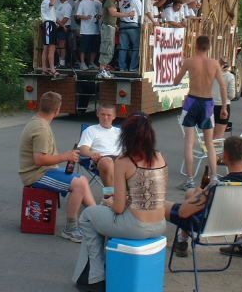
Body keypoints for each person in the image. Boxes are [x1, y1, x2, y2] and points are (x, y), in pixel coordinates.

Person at [72, 113, 167, 289]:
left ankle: (96, 277)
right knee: (101, 217)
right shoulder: (159, 157)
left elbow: (118, 207)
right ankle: (105, 266)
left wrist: (109, 203)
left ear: (126, 137)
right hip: (160, 224)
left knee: (87, 216)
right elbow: (155, 194)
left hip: (137, 226)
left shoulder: (124, 161)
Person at [165, 137, 242, 258]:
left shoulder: (217, 187)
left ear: (225, 156)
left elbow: (183, 212)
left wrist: (199, 194)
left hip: (208, 226)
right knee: (191, 193)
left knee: (161, 205)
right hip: (238, 224)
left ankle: (180, 242)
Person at [18, 92, 95, 243]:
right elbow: (39, 159)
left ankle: (98, 219)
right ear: (58, 110)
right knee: (78, 184)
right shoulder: (41, 129)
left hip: (43, 171)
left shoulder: (38, 121)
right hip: (35, 175)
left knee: (82, 180)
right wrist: (65, 156)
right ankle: (70, 229)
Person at [173, 35, 229, 189]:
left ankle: (190, 180)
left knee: (189, 143)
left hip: (192, 101)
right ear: (209, 47)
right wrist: (224, 107)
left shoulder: (189, 62)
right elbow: (223, 86)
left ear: (196, 46)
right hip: (207, 104)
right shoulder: (215, 64)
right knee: (209, 143)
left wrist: (181, 67)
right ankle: (214, 178)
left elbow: (175, 81)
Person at [77, 104, 122, 186]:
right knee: (107, 162)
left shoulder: (119, 131)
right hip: (100, 159)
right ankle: (109, 195)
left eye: (109, 115)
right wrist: (92, 154)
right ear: (98, 114)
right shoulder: (90, 130)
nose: (105, 118)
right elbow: (83, 149)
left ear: (114, 116)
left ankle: (129, 194)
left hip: (119, 159)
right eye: (103, 114)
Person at [97, 0, 134, 79]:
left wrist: (115, 25)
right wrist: (128, 14)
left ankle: (104, 69)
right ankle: (101, 70)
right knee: (106, 47)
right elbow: (113, 13)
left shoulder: (113, 2)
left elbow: (110, 16)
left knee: (110, 48)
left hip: (111, 27)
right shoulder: (109, 1)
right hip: (107, 28)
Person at [118, 0, 143, 72]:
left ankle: (122, 67)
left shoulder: (122, 1)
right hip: (133, 25)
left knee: (123, 48)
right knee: (136, 47)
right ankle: (133, 67)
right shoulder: (136, 0)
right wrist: (141, 25)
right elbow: (140, 15)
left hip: (122, 25)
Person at [212, 57, 237, 140]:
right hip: (223, 106)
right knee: (219, 135)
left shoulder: (212, 74)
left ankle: (207, 151)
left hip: (209, 105)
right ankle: (214, 152)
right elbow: (232, 95)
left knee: (209, 134)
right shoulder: (230, 77)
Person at [76, 0, 100, 70]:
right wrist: (85, 17)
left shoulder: (98, 2)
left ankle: (91, 63)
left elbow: (101, 14)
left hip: (96, 29)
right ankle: (82, 63)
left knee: (94, 48)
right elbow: (78, 15)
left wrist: (99, 16)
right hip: (85, 30)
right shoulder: (83, 2)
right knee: (83, 47)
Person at [40, 0, 59, 76]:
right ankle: (52, 69)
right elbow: (52, 4)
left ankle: (44, 68)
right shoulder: (46, 1)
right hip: (48, 24)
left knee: (47, 47)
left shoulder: (48, 2)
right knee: (51, 47)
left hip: (51, 24)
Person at [56, 0, 72, 68]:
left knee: (62, 45)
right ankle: (60, 61)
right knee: (58, 44)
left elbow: (66, 18)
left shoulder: (68, 6)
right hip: (58, 26)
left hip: (64, 26)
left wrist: (60, 25)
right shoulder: (59, 5)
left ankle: (62, 62)